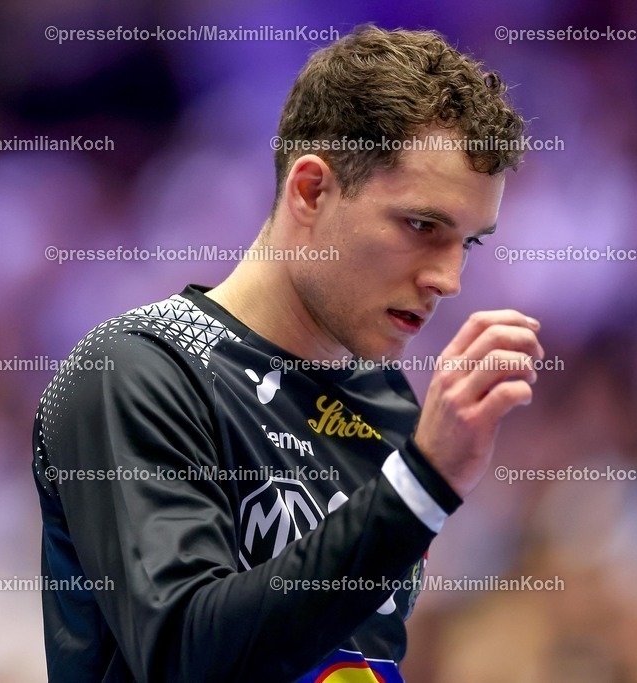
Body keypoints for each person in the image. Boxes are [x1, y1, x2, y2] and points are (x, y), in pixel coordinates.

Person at [33, 24, 542, 682]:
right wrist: (417, 488)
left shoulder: (390, 404)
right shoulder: (138, 370)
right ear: (310, 191)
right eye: (422, 225)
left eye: (467, 243)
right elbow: (183, 656)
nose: (449, 279)